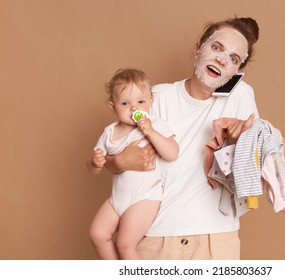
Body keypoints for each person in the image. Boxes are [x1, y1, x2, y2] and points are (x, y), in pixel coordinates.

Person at [105, 16, 260, 259]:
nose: (222, 59)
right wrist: (119, 163)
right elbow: (114, 154)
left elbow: (250, 171)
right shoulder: (157, 97)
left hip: (216, 240)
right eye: (217, 47)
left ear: (236, 72)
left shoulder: (240, 95)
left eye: (233, 59)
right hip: (156, 237)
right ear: (197, 49)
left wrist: (241, 139)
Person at [86, 68, 179, 259]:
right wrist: (95, 162)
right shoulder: (109, 132)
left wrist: (151, 132)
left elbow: (172, 153)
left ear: (150, 102)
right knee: (97, 234)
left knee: (125, 245)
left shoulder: (153, 124)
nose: (134, 108)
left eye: (141, 102)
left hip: (144, 197)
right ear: (113, 106)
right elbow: (92, 168)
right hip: (117, 199)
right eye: (125, 103)